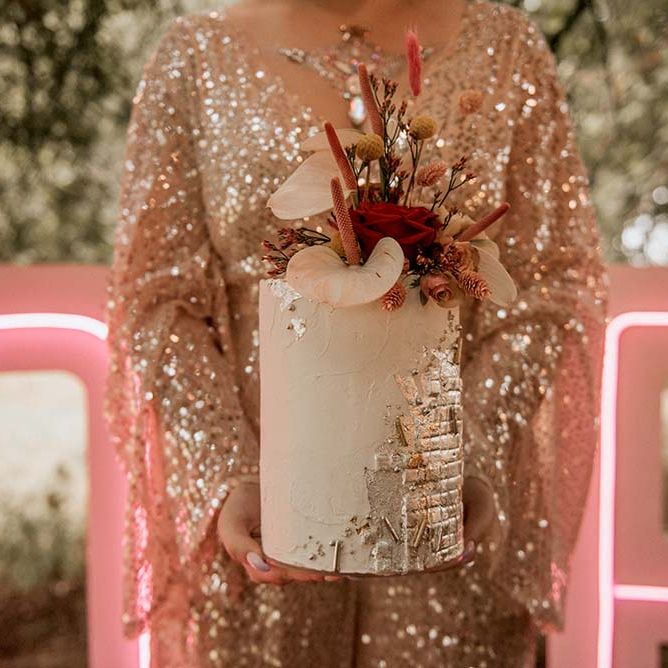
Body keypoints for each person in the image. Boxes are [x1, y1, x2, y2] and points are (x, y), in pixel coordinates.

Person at [103, 0, 609, 665]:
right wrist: (230, 471)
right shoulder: (195, 56)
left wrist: (468, 451)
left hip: (443, 521)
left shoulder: (506, 48)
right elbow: (156, 298)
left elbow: (550, 284)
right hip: (260, 527)